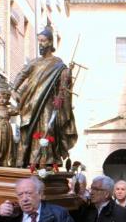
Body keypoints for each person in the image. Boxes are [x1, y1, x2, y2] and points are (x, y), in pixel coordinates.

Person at [11, 25, 78, 166]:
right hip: (30, 103)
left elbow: (63, 84)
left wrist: (67, 74)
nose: (40, 44)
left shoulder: (58, 64)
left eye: (43, 41)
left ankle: (47, 161)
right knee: (29, 131)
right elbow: (21, 75)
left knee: (48, 129)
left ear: (50, 42)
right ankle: (27, 160)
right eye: (39, 41)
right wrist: (14, 90)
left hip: (47, 103)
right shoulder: (34, 62)